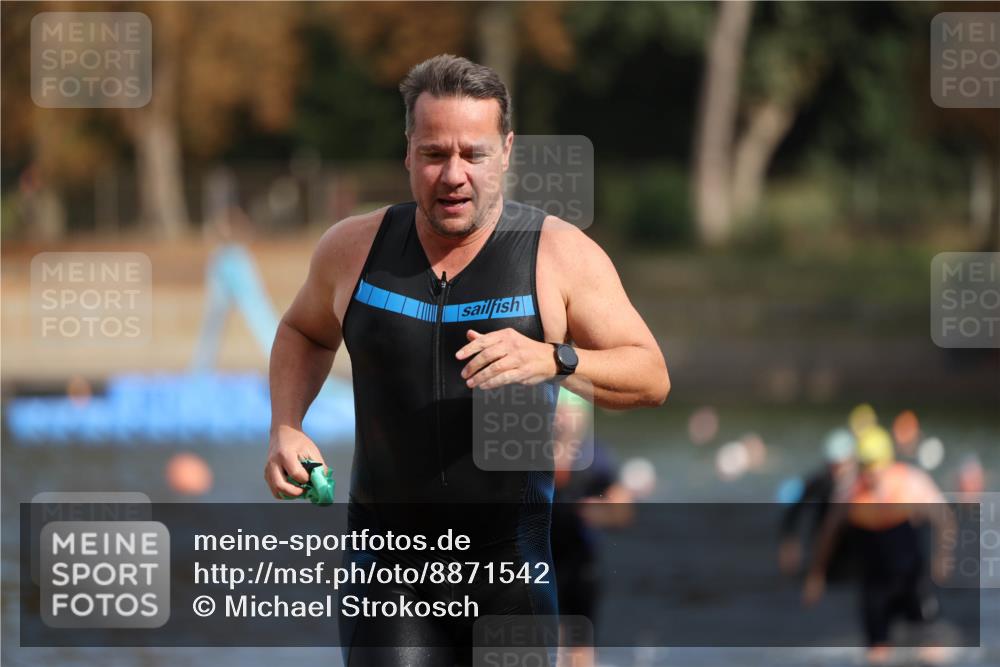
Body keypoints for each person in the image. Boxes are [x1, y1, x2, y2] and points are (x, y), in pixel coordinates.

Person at [265, 54, 670, 667]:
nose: (453, 175)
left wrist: (552, 359)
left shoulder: (558, 254)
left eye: (473, 155)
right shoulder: (352, 249)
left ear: (505, 152)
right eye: (434, 154)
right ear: (408, 153)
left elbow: (651, 375)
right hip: (386, 573)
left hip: (509, 573)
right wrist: (286, 425)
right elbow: (302, 331)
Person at [803, 426, 956, 665]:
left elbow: (945, 519)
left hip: (911, 578)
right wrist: (816, 575)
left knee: (931, 648)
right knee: (877, 653)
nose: (870, 475)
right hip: (873, 584)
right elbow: (828, 534)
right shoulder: (850, 492)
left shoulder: (911, 483)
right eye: (864, 467)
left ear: (888, 462)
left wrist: (942, 557)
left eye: (874, 467)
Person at [550, 388, 634, 667]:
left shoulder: (594, 457)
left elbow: (623, 511)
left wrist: (596, 512)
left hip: (580, 561)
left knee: (580, 645)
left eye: (567, 414)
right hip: (539, 561)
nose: (560, 421)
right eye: (555, 414)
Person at [778, 428, 858, 578]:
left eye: (842, 465)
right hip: (823, 546)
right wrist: (789, 542)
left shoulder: (863, 483)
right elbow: (793, 510)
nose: (837, 471)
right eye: (833, 465)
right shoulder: (819, 481)